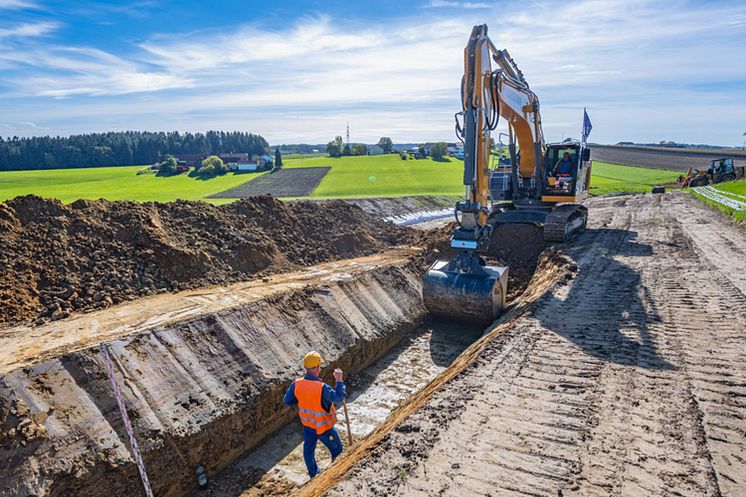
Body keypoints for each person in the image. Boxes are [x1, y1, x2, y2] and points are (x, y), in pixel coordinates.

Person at [284, 351, 346, 478]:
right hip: (324, 428)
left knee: (308, 451)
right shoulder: (322, 388)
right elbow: (338, 397)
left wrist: (303, 398)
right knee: (337, 451)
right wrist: (339, 381)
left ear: (306, 368)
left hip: (308, 425)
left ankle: (313, 473)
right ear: (318, 368)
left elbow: (287, 400)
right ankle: (336, 476)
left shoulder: (296, 384)